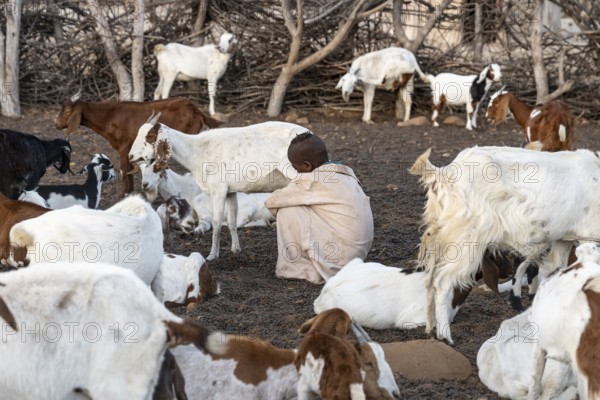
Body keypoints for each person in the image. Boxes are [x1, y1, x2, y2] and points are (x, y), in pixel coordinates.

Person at [265, 131, 374, 284]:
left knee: (287, 210)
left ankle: (299, 270)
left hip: (340, 260)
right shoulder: (344, 173)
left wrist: (294, 184)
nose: (297, 173)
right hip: (357, 256)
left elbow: (272, 202)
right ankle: (318, 262)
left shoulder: (312, 180)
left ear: (307, 166)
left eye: (296, 169)